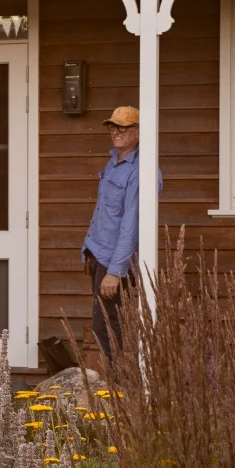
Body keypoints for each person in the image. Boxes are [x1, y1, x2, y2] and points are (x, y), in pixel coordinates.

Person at [80, 105, 158, 363]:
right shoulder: (114, 162)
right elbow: (104, 210)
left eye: (123, 127)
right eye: (113, 127)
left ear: (138, 131)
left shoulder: (142, 171)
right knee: (102, 324)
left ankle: (121, 389)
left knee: (111, 328)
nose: (116, 132)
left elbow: (132, 224)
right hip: (99, 253)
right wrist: (88, 251)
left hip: (115, 260)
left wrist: (115, 271)